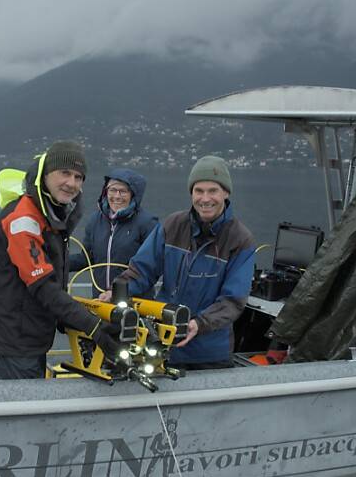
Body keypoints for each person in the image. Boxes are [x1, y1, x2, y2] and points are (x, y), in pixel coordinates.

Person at [0, 141, 122, 380]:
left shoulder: (50, 214)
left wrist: (71, 318)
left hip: (31, 336)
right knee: (23, 413)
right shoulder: (23, 220)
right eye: (64, 173)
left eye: (78, 177)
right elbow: (43, 286)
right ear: (45, 175)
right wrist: (94, 327)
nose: (72, 183)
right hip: (13, 342)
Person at [103, 155, 256, 370]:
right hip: (163, 343)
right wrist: (116, 292)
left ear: (226, 193)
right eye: (198, 191)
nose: (205, 198)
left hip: (210, 353)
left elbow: (233, 301)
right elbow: (142, 270)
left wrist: (198, 324)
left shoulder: (240, 239)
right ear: (191, 193)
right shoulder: (173, 225)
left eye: (213, 191)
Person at [68, 168, 158, 297]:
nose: (116, 196)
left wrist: (117, 291)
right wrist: (58, 262)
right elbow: (86, 259)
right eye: (112, 190)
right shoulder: (95, 221)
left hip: (135, 302)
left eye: (123, 191)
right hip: (101, 300)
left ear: (133, 194)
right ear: (105, 192)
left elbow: (150, 268)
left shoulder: (147, 223)